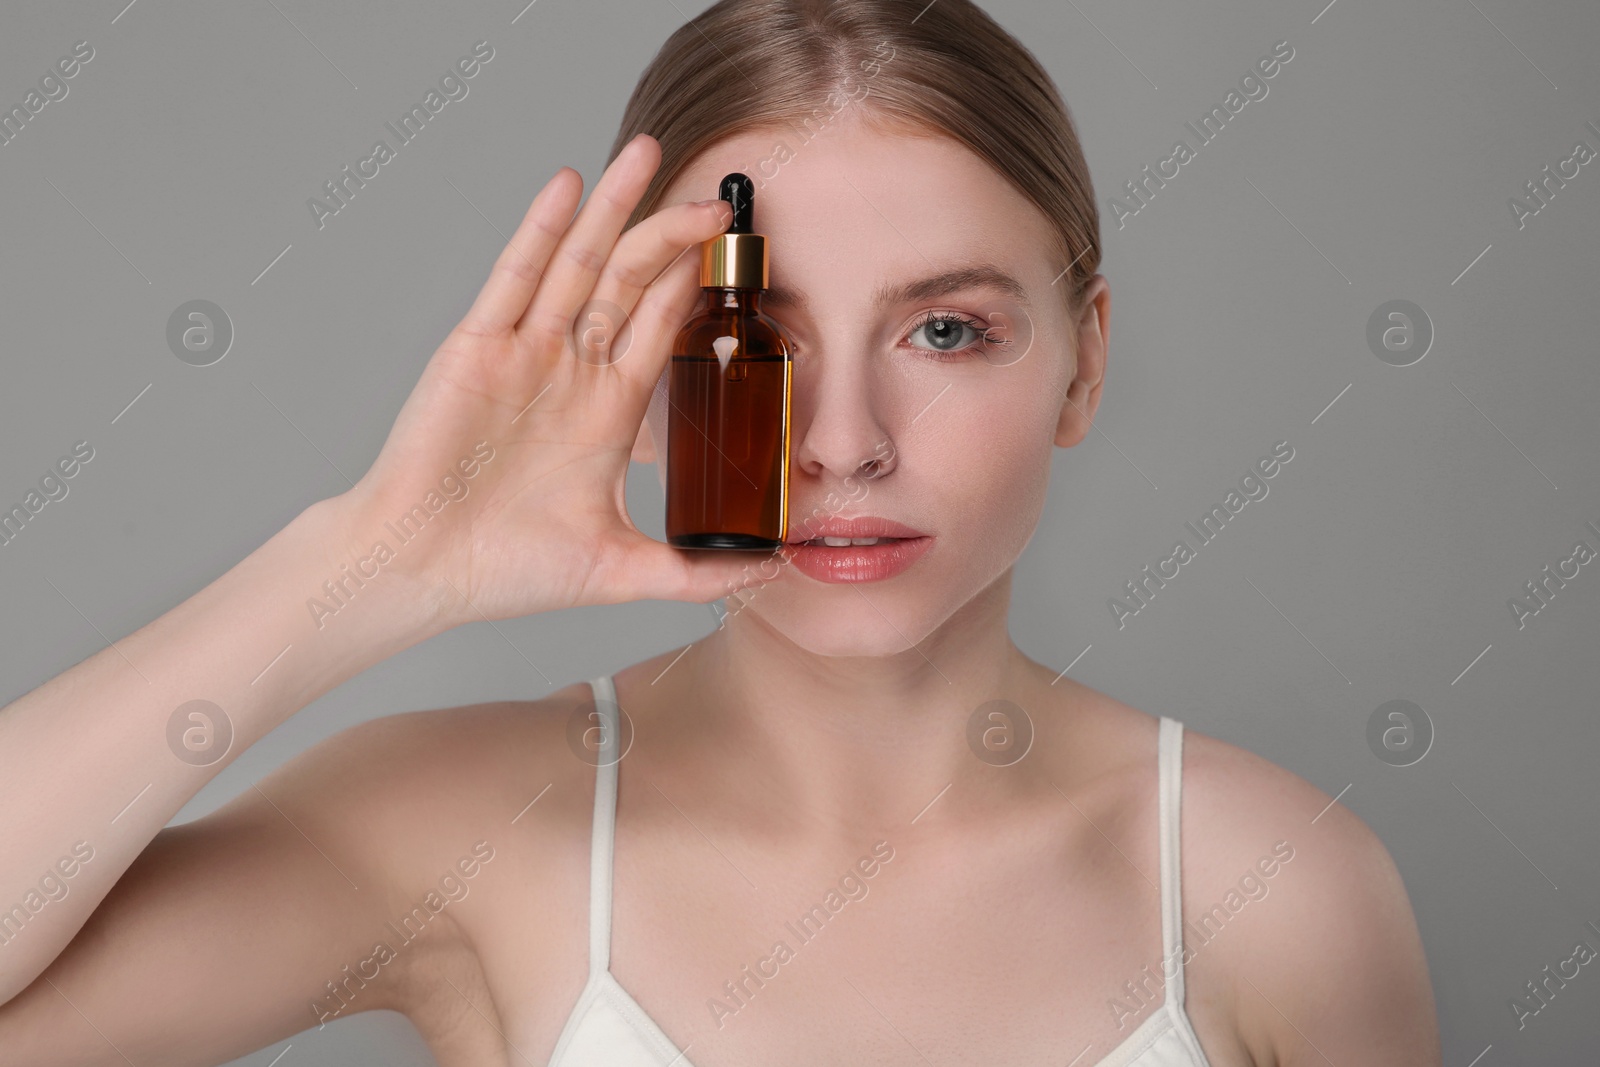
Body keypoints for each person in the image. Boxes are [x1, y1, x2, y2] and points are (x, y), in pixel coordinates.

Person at [0, 1, 1441, 1064]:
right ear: (634, 367)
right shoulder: (472, 828)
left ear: (1087, 361)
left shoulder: (1276, 884)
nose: (841, 440)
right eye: (748, 337)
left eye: (946, 329)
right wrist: (370, 561)